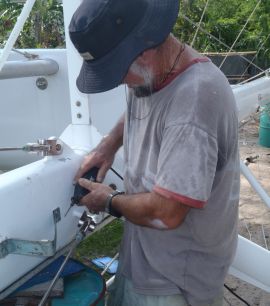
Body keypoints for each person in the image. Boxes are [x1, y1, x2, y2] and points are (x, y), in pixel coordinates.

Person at [69, 0, 240, 305]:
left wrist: (107, 200)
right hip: (144, 254)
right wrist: (109, 145)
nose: (120, 81)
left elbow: (168, 212)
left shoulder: (195, 102)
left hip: (173, 277)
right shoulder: (155, 75)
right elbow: (141, 101)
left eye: (118, 71)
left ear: (145, 52)